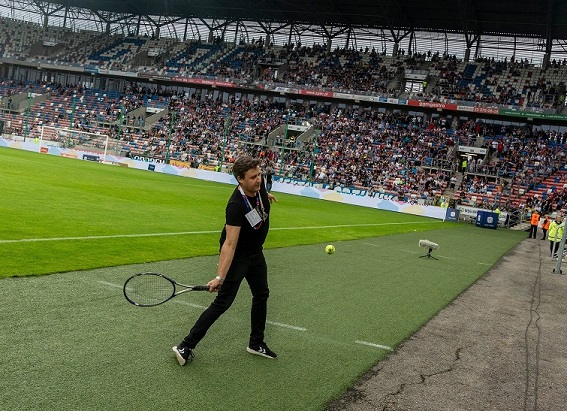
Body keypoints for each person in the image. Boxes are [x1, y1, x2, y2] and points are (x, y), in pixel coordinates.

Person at [172, 156, 278, 365]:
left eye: (260, 175)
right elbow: (229, 244)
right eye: (253, 177)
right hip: (238, 257)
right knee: (223, 303)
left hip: (256, 253)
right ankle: (185, 345)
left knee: (261, 294)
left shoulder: (259, 187)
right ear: (240, 179)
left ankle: (256, 343)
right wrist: (220, 276)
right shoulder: (235, 206)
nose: (259, 180)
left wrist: (266, 194)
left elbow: (259, 193)